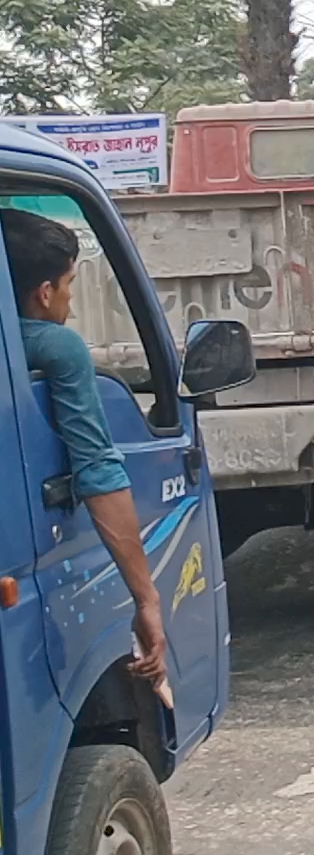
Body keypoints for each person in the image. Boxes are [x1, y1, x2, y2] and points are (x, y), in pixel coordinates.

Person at [0, 209, 166, 687]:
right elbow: (97, 470)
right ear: (44, 292)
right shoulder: (53, 346)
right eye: (69, 286)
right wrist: (147, 599)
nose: (69, 304)